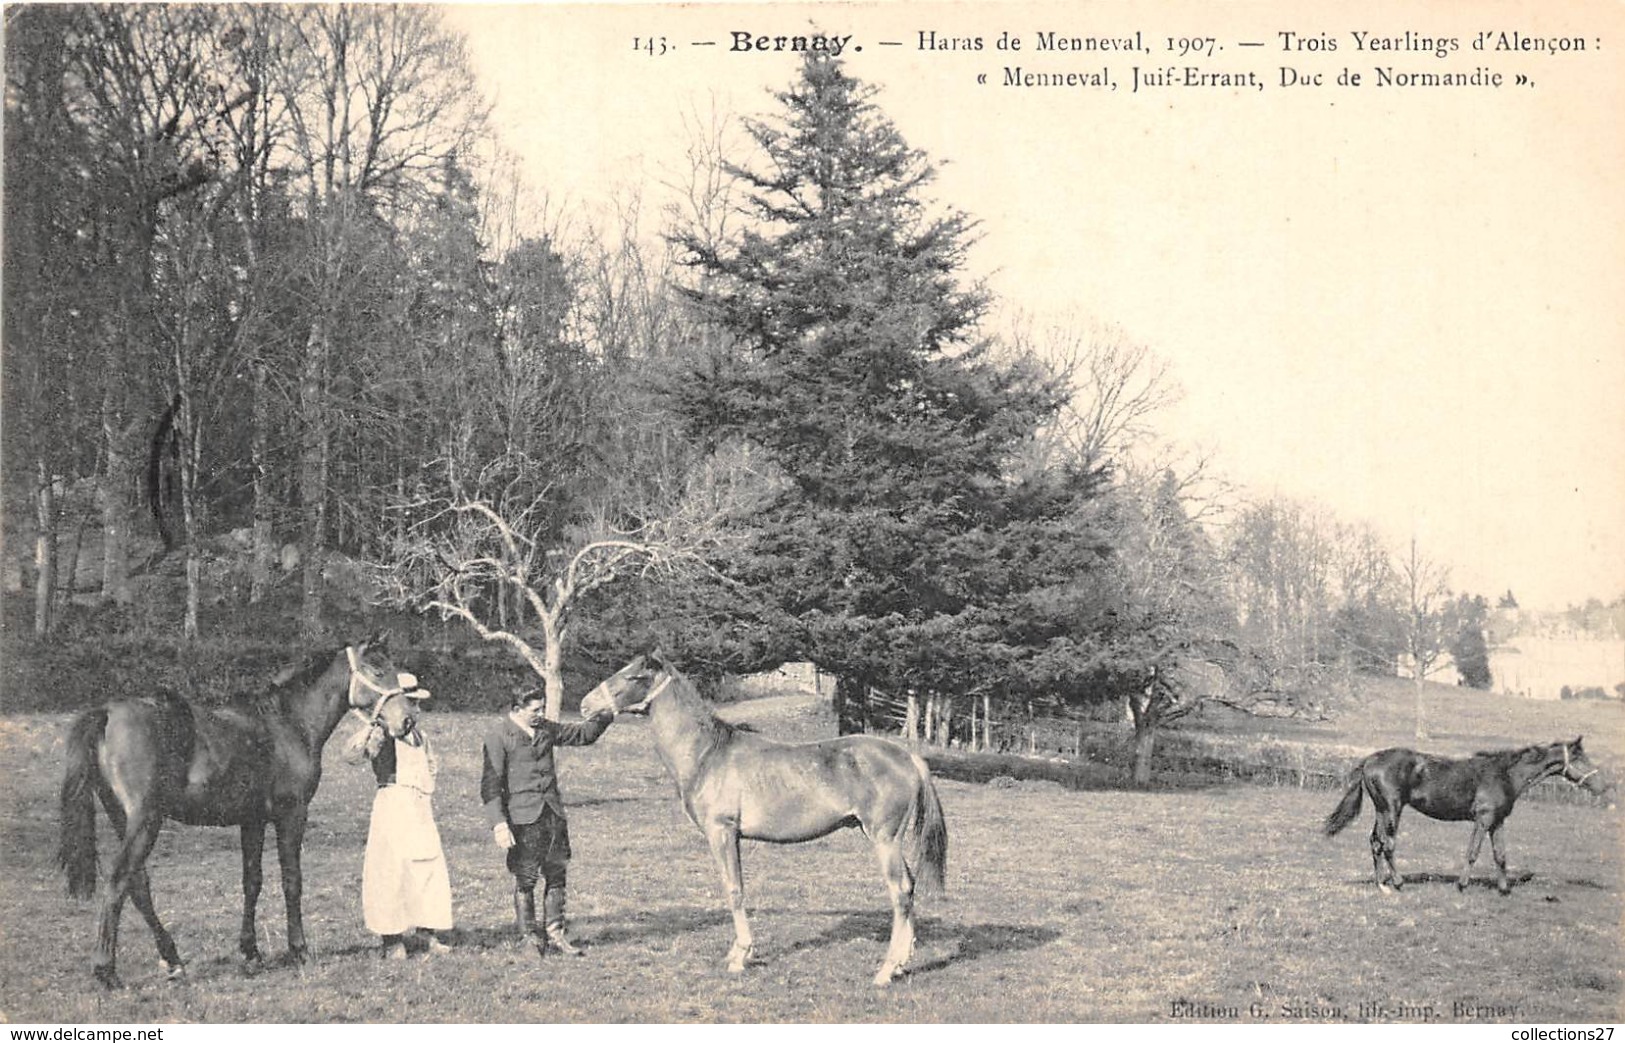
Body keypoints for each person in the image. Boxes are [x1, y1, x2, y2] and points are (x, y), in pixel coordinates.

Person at [481, 688, 615, 956]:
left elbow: (580, 735)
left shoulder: (543, 728)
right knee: (526, 879)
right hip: (522, 819)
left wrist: (607, 714)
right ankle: (529, 938)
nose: (541, 714)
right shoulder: (498, 736)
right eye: (535, 710)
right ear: (517, 709)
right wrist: (499, 824)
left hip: (552, 815)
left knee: (557, 875)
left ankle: (556, 935)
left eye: (542, 709)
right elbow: (491, 785)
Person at [348, 678, 455, 960]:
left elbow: (432, 765)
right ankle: (392, 939)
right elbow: (351, 755)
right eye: (411, 703)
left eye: (418, 704)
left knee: (427, 868)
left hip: (419, 807)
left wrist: (425, 790)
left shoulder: (421, 736)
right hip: (393, 805)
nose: (416, 710)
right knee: (391, 871)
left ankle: (427, 932)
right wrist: (370, 732)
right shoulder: (382, 733)